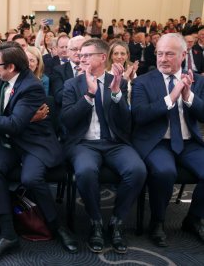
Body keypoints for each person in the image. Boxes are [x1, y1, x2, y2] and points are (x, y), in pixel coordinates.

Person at [0, 42, 78, 263]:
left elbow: (14, 124)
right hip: (9, 141)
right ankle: (7, 234)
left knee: (31, 178)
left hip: (33, 142)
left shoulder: (31, 86)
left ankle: (57, 226)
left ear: (11, 67)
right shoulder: (0, 77)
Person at [61, 38, 147, 254]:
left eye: (87, 55)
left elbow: (126, 124)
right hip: (84, 143)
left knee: (137, 170)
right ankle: (95, 222)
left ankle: (117, 221)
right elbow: (67, 121)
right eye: (81, 55)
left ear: (101, 57)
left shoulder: (117, 80)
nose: (82, 59)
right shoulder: (73, 84)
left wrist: (117, 93)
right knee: (86, 171)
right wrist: (89, 95)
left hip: (114, 142)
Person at [131, 33, 204, 247]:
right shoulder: (143, 82)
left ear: (183, 55)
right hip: (157, 142)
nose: (163, 59)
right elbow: (139, 115)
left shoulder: (197, 81)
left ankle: (193, 219)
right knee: (165, 172)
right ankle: (158, 221)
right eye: (159, 53)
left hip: (188, 141)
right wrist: (171, 98)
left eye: (169, 54)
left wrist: (189, 96)